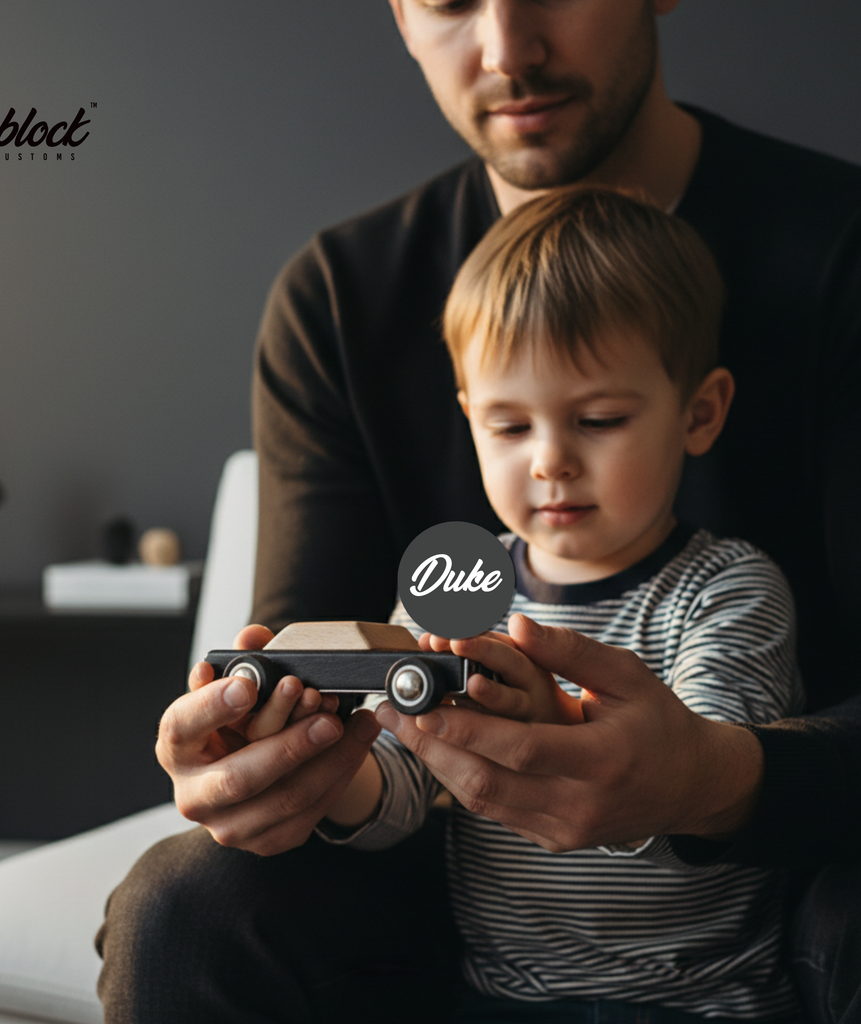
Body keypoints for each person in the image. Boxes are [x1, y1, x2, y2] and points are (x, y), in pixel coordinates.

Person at [96, 2, 861, 1021]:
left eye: (598, 417)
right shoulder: (338, 302)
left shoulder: (841, 257)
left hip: (785, 897)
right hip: (483, 941)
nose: (507, 48)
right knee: (180, 902)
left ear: (700, 408)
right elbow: (352, 720)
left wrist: (706, 775)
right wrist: (282, 766)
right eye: (450, 0)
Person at [313, 184, 805, 1020]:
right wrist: (321, 763)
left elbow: (700, 802)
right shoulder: (453, 592)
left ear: (700, 411)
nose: (550, 461)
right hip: (500, 995)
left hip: (704, 998)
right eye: (508, 427)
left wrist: (551, 724)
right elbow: (394, 789)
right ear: (469, 417)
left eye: (600, 419)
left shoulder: (727, 590)